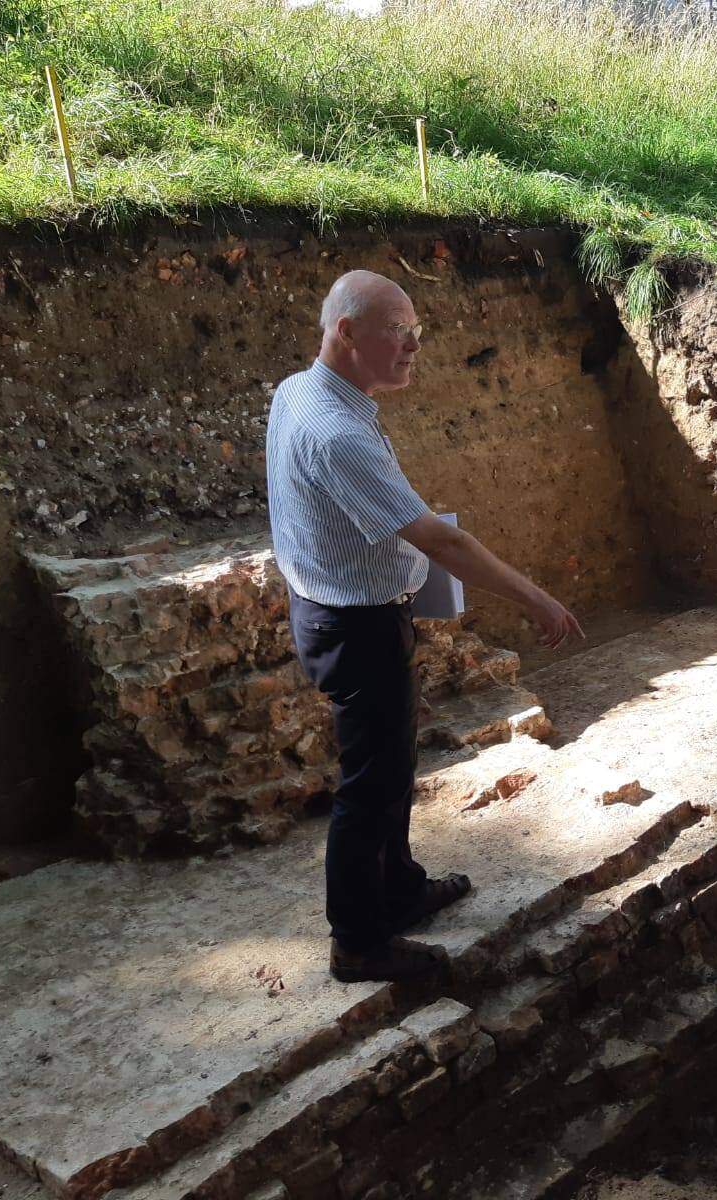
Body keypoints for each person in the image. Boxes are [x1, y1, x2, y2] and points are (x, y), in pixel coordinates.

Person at [267, 270, 583, 984]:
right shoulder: (334, 430)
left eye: (417, 332)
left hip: (340, 608)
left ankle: (399, 888)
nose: (412, 347)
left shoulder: (301, 390)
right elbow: (439, 541)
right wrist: (535, 598)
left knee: (393, 768)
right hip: (354, 625)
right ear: (344, 333)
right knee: (371, 785)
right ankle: (357, 942)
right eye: (396, 333)